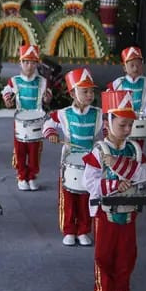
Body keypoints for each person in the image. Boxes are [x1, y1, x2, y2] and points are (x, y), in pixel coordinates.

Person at [83, 90, 146, 291]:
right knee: (104, 253)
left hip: (129, 211)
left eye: (130, 125)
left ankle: (120, 290)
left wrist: (119, 165)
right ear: (108, 122)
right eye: (122, 125)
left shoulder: (135, 149)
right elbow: (89, 182)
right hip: (105, 213)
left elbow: (144, 174)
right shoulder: (99, 150)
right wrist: (113, 184)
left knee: (127, 253)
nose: (128, 130)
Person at [43, 68, 103, 246]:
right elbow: (49, 122)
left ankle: (84, 230)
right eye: (85, 91)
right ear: (72, 93)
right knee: (68, 198)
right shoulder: (63, 113)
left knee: (87, 197)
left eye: (91, 91)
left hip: (90, 163)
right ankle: (69, 230)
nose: (89, 94)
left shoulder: (99, 113)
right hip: (69, 162)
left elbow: (109, 131)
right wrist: (51, 133)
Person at [2, 44, 51, 191]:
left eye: (32, 62)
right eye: (26, 62)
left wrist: (47, 99)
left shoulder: (42, 81)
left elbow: (47, 99)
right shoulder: (14, 81)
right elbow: (6, 93)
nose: (29, 66)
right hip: (20, 122)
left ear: (37, 64)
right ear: (20, 63)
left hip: (37, 122)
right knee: (20, 150)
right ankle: (22, 176)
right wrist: (8, 100)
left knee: (35, 151)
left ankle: (32, 176)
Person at [106, 46, 146, 150]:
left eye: (138, 65)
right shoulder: (118, 82)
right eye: (132, 65)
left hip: (140, 119)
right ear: (125, 68)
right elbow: (108, 95)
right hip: (123, 119)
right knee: (122, 143)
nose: (135, 68)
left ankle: (136, 161)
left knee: (138, 146)